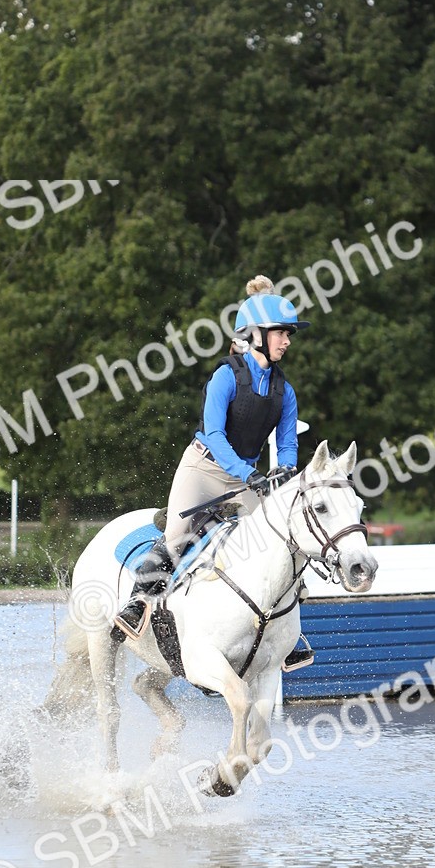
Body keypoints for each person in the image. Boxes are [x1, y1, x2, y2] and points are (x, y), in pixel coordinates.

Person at [113, 275, 314, 670]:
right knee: (176, 537)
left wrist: (284, 469)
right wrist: (248, 473)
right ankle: (137, 604)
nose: (287, 341)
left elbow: (288, 442)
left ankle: (287, 636)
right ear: (256, 335)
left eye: (288, 334)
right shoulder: (225, 376)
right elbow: (216, 436)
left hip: (246, 476)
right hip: (204, 467)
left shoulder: (284, 391)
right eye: (280, 333)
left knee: (282, 543)